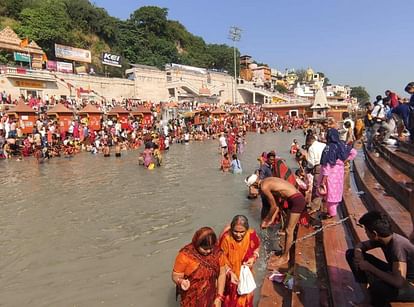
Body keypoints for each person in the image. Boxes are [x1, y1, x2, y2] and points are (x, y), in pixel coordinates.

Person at [346, 211, 414, 307]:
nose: (366, 233)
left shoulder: (397, 246)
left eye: (366, 231)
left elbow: (399, 282)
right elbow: (361, 245)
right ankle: (368, 299)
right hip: (394, 273)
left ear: (374, 234)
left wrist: (370, 268)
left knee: (378, 287)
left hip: (409, 284)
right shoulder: (384, 238)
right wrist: (358, 254)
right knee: (351, 254)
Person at [245, 175, 306, 267]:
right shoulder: (266, 181)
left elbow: (273, 206)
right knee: (287, 230)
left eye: (250, 187)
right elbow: (277, 205)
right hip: (293, 199)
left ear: (253, 185)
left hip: (297, 200)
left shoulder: (264, 187)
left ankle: (285, 257)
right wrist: (271, 220)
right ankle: (285, 252)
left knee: (289, 230)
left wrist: (265, 220)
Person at [172, 227, 226, 307]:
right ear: (197, 244)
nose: (208, 251)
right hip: (191, 300)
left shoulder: (217, 253)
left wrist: (219, 297)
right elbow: (175, 276)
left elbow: (222, 274)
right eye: (204, 249)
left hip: (211, 297)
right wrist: (181, 281)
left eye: (211, 248)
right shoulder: (185, 255)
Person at [219, 215, 260, 307]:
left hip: (246, 273)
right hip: (230, 276)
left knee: (246, 298)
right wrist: (229, 273)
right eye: (235, 231)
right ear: (231, 229)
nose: (238, 235)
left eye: (242, 232)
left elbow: (257, 247)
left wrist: (254, 257)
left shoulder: (251, 234)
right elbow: (220, 258)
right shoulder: (226, 238)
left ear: (247, 229)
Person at [320, 128, 357, 218]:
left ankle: (331, 214)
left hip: (331, 175)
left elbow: (326, 166)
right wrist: (344, 161)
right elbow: (354, 152)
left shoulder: (328, 148)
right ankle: (332, 211)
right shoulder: (342, 145)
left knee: (330, 194)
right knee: (336, 192)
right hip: (339, 173)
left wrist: (323, 181)